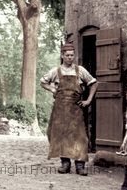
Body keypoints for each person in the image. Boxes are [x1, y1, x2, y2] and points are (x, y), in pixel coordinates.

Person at [40, 42, 98, 175]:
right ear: (62, 56)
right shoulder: (56, 71)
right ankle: (65, 163)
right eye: (67, 55)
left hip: (76, 109)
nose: (70, 58)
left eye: (72, 55)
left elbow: (94, 84)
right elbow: (42, 82)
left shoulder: (80, 70)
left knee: (79, 136)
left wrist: (88, 100)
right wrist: (52, 89)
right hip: (60, 110)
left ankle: (80, 165)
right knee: (61, 134)